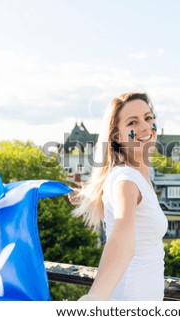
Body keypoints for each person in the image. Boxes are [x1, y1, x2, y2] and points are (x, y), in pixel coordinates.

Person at [71, 92, 168, 301]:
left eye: (148, 118)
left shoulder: (132, 177)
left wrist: (87, 194)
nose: (145, 127)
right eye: (133, 122)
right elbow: (122, 239)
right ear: (117, 136)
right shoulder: (127, 179)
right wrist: (94, 299)